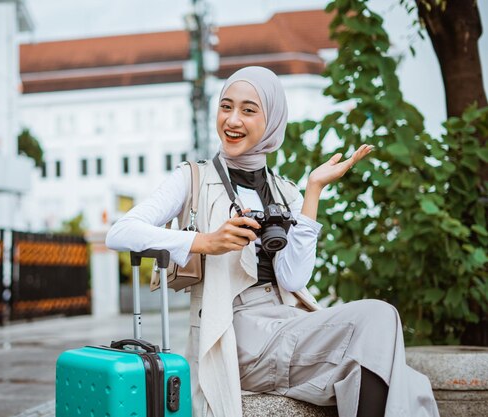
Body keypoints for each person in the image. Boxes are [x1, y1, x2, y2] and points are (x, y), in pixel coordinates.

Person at [106, 66, 439, 417]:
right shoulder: (195, 177)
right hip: (233, 333)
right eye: (226, 107)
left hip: (284, 323)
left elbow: (294, 280)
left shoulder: (285, 191)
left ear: (272, 121)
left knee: (396, 367)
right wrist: (205, 241)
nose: (233, 120)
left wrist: (314, 191)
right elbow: (120, 232)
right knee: (381, 324)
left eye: (249, 110)